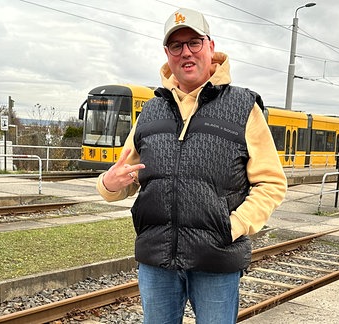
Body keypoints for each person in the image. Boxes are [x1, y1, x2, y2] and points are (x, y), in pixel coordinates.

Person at [96, 7, 287, 323]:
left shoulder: (243, 107)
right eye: (176, 45)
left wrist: (234, 226)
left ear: (211, 47)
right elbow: (124, 178)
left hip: (216, 259)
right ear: (167, 54)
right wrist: (110, 184)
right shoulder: (152, 110)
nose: (186, 52)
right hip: (156, 260)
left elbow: (272, 183)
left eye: (194, 42)